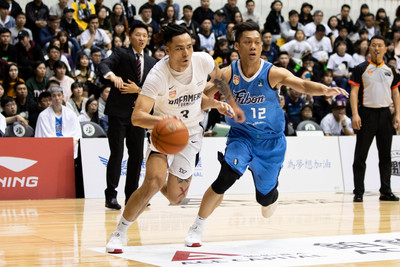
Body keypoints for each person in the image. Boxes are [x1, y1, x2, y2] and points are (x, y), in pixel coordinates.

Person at [183, 21, 348, 247]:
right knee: (225, 178)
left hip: (271, 142)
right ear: (237, 47)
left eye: (257, 43)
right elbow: (200, 98)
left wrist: (324, 90)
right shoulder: (227, 74)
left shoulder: (272, 73)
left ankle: (267, 190)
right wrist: (214, 104)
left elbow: (302, 84)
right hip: (242, 136)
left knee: (265, 199)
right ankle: (197, 226)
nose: (253, 46)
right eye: (247, 42)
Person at [105, 23, 244, 253]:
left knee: (176, 198)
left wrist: (218, 102)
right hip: (164, 133)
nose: (186, 53)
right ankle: (119, 233)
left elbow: (218, 82)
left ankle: (165, 183)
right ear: (167, 50)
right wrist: (165, 123)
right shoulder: (157, 76)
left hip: (191, 135)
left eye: (189, 46)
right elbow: (137, 117)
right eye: (179, 48)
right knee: (152, 182)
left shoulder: (204, 61)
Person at [98, 23, 157, 210]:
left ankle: (132, 195)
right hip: (119, 113)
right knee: (117, 154)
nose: (141, 38)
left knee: (137, 156)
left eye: (144, 35)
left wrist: (137, 90)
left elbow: (153, 90)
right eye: (138, 35)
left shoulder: (151, 62)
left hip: (140, 115)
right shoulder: (121, 53)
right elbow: (104, 64)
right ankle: (111, 196)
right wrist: (111, 76)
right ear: (130, 36)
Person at [350, 35, 400, 202]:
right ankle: (358, 191)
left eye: (380, 46)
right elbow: (354, 93)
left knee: (386, 156)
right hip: (366, 114)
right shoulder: (360, 68)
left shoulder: (391, 71)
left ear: (386, 49)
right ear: (369, 48)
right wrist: (355, 114)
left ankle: (385, 190)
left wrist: (397, 114)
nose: (376, 49)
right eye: (373, 46)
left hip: (385, 114)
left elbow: (396, 93)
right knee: (360, 155)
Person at [35, 86, 82, 158]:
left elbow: (77, 134)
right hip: (50, 150)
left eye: (59, 95)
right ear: (50, 98)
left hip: (68, 150)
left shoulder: (71, 114)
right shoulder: (43, 116)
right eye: (54, 96)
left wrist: (71, 145)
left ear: (63, 97)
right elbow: (40, 137)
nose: (57, 98)